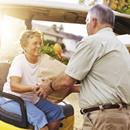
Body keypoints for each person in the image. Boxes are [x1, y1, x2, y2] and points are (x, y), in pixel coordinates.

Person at [36, 4, 130, 130]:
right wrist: (72, 88)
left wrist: (49, 86)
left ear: (94, 21)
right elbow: (106, 84)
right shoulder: (120, 47)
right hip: (122, 116)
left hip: (102, 118)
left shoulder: (92, 41)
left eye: (86, 21)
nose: (86, 26)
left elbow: (66, 80)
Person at [0, 30, 64, 130]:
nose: (39, 46)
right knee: (40, 118)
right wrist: (33, 88)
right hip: (13, 99)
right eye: (35, 43)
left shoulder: (42, 60)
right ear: (24, 46)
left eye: (40, 43)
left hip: (32, 99)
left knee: (57, 111)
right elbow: (14, 86)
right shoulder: (19, 61)